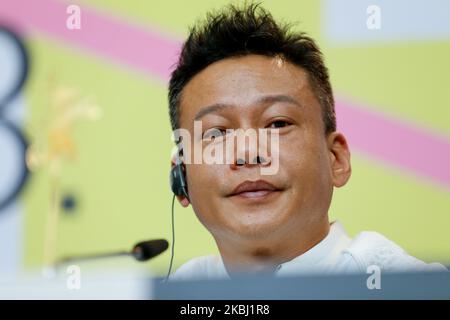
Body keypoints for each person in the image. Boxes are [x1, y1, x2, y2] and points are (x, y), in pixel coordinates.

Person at [167, 3, 447, 280]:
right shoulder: (174, 291)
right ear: (182, 177)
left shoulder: (410, 286)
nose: (248, 153)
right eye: (217, 133)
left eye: (278, 124)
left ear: (336, 158)